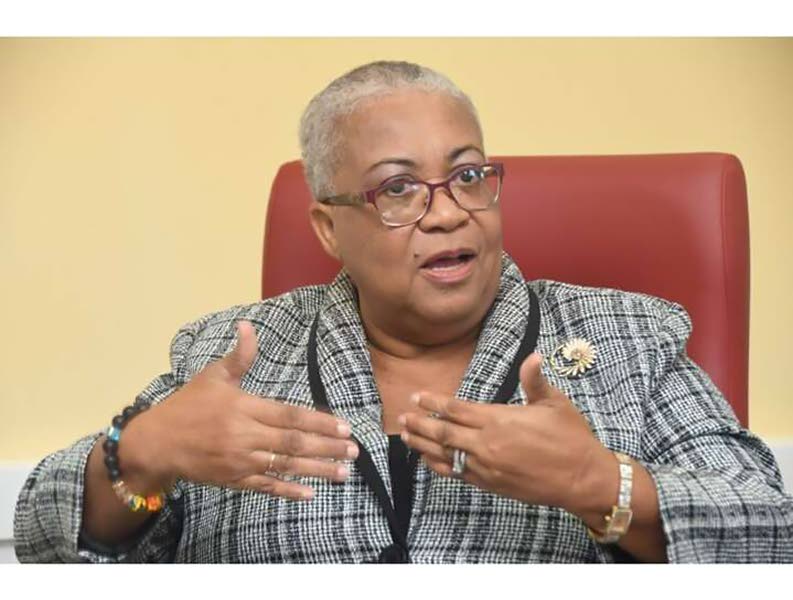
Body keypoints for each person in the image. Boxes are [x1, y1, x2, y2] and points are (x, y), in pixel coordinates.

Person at [13, 60, 793, 564]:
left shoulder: (628, 338)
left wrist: (601, 484)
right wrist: (139, 454)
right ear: (328, 228)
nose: (447, 213)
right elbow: (46, 542)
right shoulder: (233, 351)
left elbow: (772, 533)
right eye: (397, 189)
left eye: (468, 176)